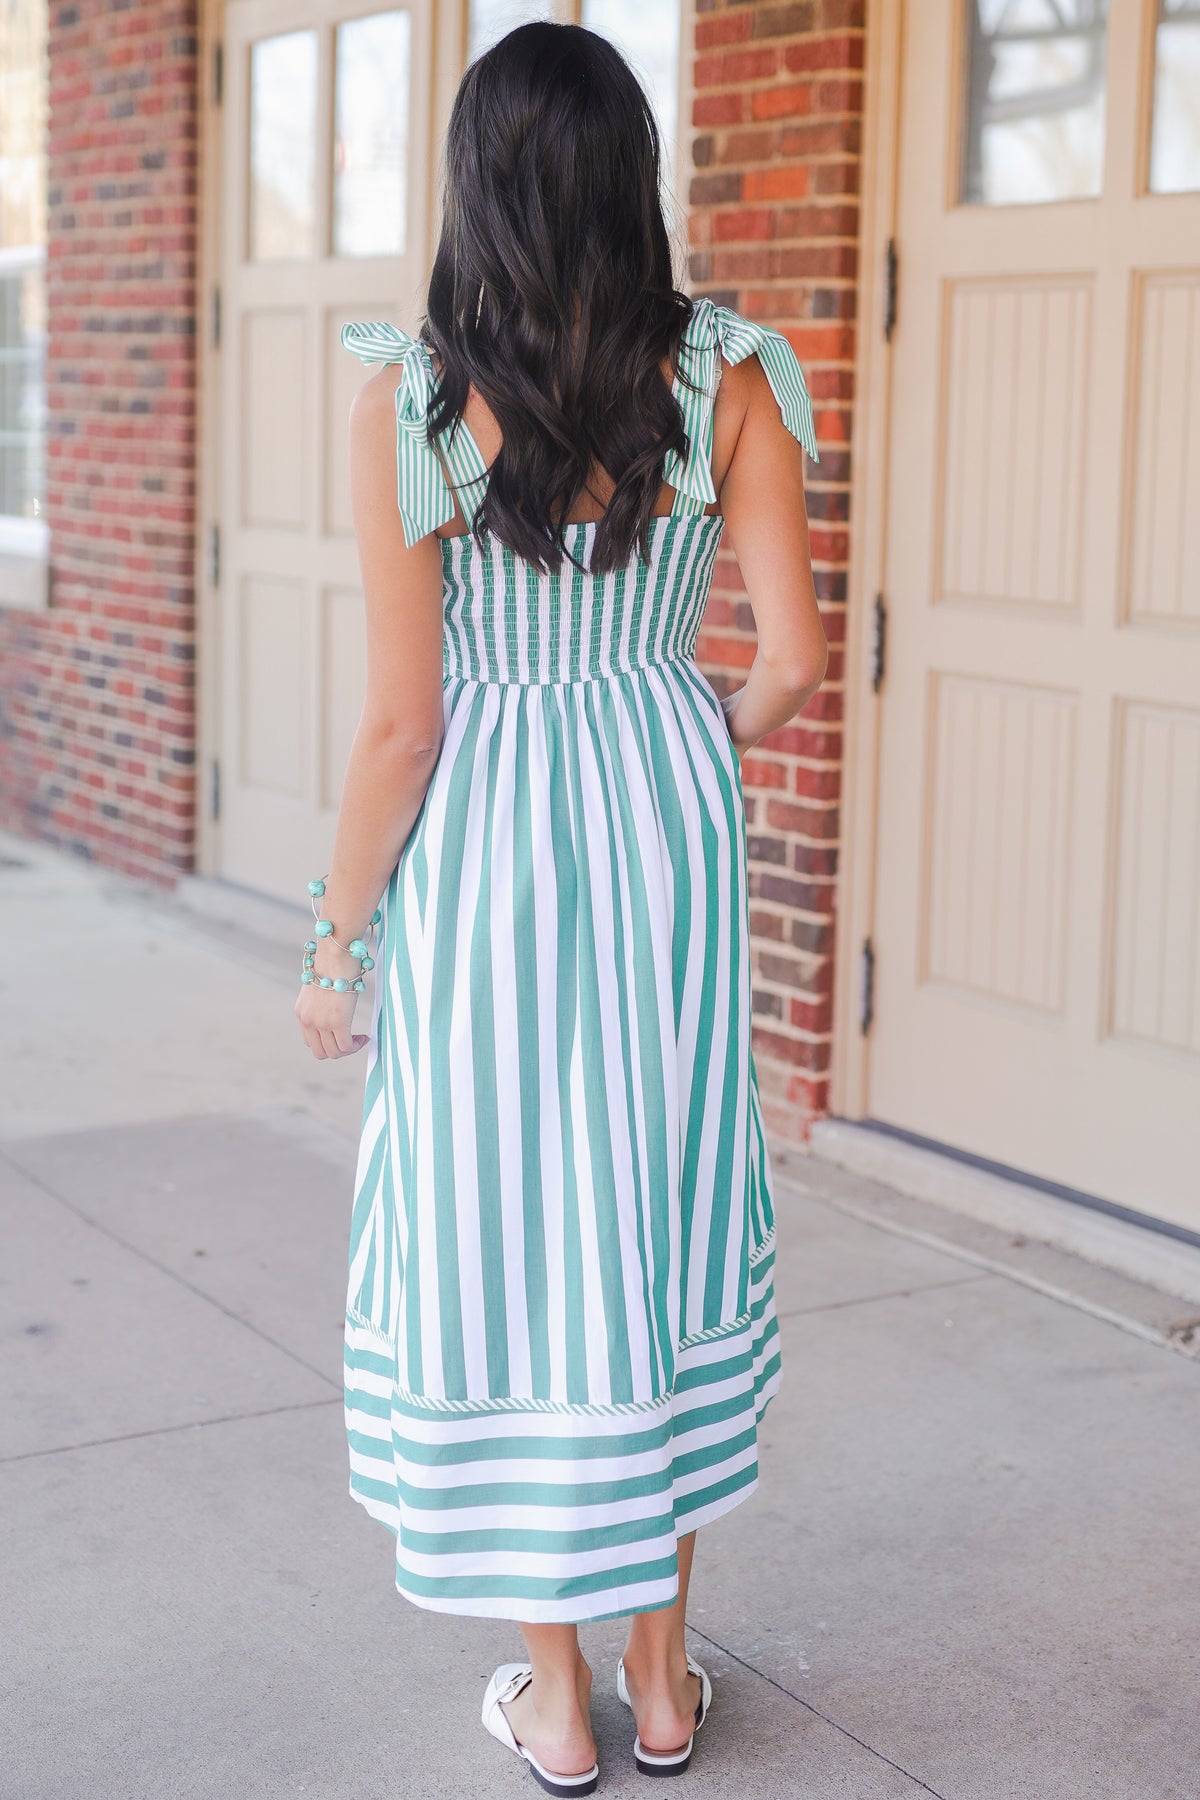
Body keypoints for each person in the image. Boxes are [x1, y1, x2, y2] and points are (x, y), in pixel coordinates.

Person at [295, 21, 826, 1795]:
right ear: (631, 181)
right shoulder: (731, 375)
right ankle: (669, 1683)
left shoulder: (413, 403)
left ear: (478, 189)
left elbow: (403, 723)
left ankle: (564, 1702)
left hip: (492, 847)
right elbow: (796, 664)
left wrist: (335, 936)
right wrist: (673, 736)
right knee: (658, 1213)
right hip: (667, 830)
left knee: (516, 1243)